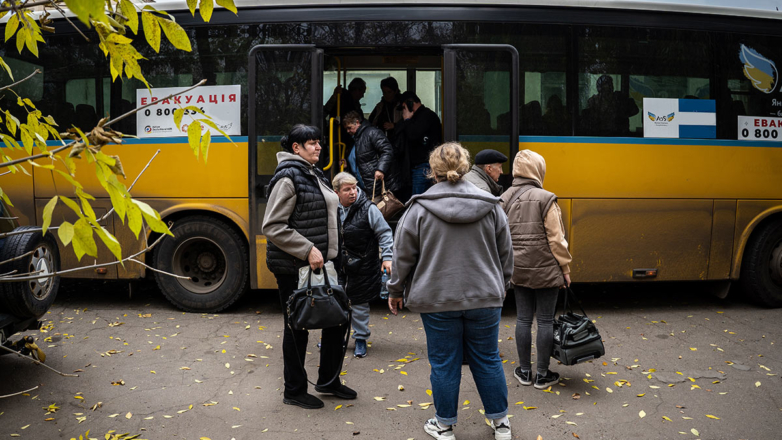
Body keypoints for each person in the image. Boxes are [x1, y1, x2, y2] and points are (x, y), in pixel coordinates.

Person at [388, 142, 514, 440]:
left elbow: (402, 256)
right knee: (488, 358)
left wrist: (396, 290)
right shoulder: (491, 205)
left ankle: (444, 425)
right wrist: (502, 285)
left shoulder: (418, 209)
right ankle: (501, 424)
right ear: (466, 166)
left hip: (436, 299)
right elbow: (506, 253)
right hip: (485, 296)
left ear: (432, 171)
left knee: (444, 362)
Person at [262, 124, 357, 410]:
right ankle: (294, 390)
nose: (318, 147)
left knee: (336, 320)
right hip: (296, 267)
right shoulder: (288, 178)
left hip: (325, 264)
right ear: (296, 148)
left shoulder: (313, 173)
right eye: (312, 143)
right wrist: (308, 249)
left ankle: (328, 381)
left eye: (318, 142)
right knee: (297, 328)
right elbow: (273, 226)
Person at [500, 149, 572, 391]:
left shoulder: (504, 198)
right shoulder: (546, 198)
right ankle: (542, 375)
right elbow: (556, 239)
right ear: (537, 170)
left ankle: (524, 371)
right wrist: (565, 268)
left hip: (518, 268)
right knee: (544, 320)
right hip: (546, 269)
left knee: (522, 318)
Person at [332, 172, 393, 358]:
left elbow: (384, 233)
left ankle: (360, 339)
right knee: (334, 302)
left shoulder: (368, 208)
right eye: (347, 189)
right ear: (336, 193)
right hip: (338, 264)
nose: (352, 192)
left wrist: (388, 257)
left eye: (354, 188)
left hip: (363, 265)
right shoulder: (331, 208)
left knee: (359, 304)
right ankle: (334, 339)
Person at [394, 91, 442, 196]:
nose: (403, 112)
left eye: (404, 107)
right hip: (415, 166)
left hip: (423, 165)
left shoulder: (427, 116)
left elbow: (413, 134)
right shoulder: (414, 118)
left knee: (418, 200)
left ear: (410, 104)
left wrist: (407, 119)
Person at [343, 110, 399, 193]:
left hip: (377, 184)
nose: (348, 131)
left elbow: (387, 150)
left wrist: (380, 169)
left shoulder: (372, 132)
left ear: (357, 123)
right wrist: (346, 165)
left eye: (349, 128)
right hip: (366, 186)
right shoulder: (354, 140)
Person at [368, 77, 403, 141]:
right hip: (382, 140)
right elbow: (371, 121)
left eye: (389, 92)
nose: (386, 95)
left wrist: (394, 125)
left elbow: (409, 124)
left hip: (398, 141)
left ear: (395, 91)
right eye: (384, 92)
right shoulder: (380, 106)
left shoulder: (402, 106)